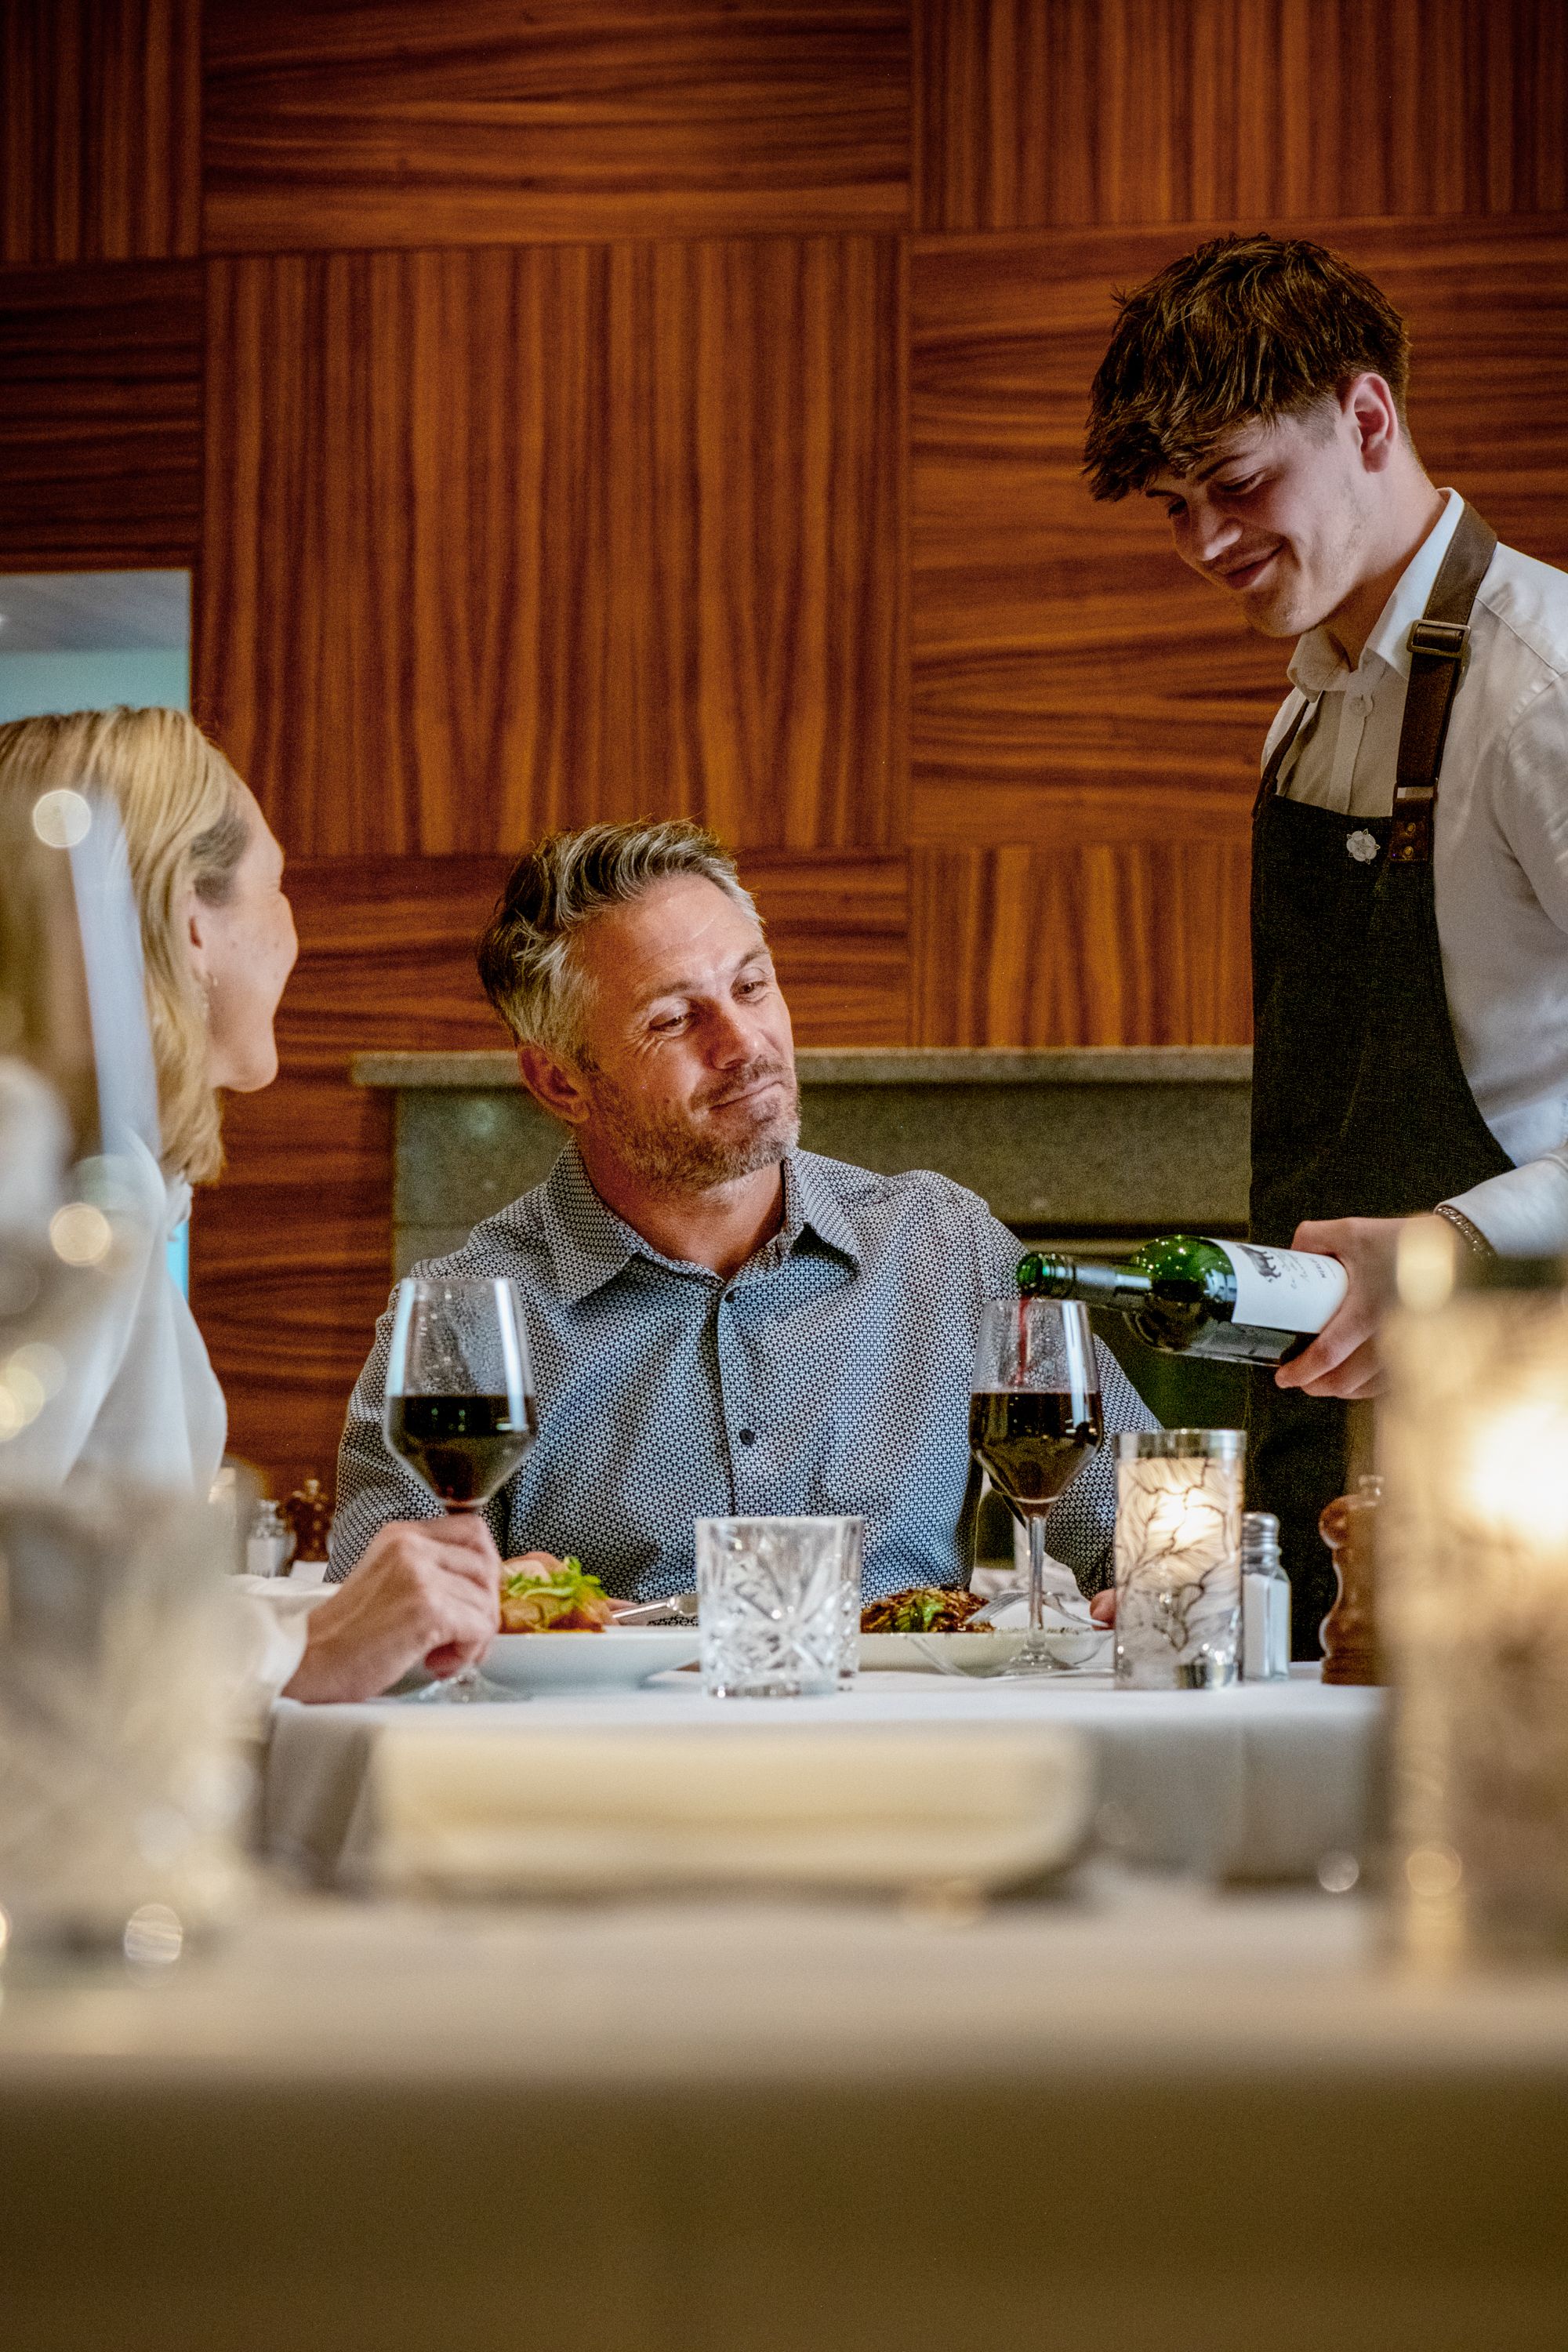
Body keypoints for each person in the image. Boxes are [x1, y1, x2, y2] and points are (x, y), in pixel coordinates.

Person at [1083, 234, 1568, 1637]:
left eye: (1234, 487)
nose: (1206, 545)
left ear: (1367, 419)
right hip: (1343, 1416)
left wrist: (1450, 1252)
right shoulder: (1305, 716)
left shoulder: (1541, 697)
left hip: (1529, 1430)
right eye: (1175, 507)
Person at [331, 820, 1156, 1600]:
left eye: (751, 986)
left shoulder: (943, 1244)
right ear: (559, 1082)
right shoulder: (461, 1323)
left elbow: (1149, 1531)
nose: (743, 1044)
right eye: (672, 1019)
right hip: (611, 1750)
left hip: (906, 1742)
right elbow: (390, 1628)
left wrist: (1167, 1594)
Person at [0, 708, 503, 1700]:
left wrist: (344, 1615)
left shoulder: (98, 1165)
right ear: (195, 920)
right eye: (279, 890)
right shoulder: (65, 1184)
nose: (294, 937)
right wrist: (299, 1654)